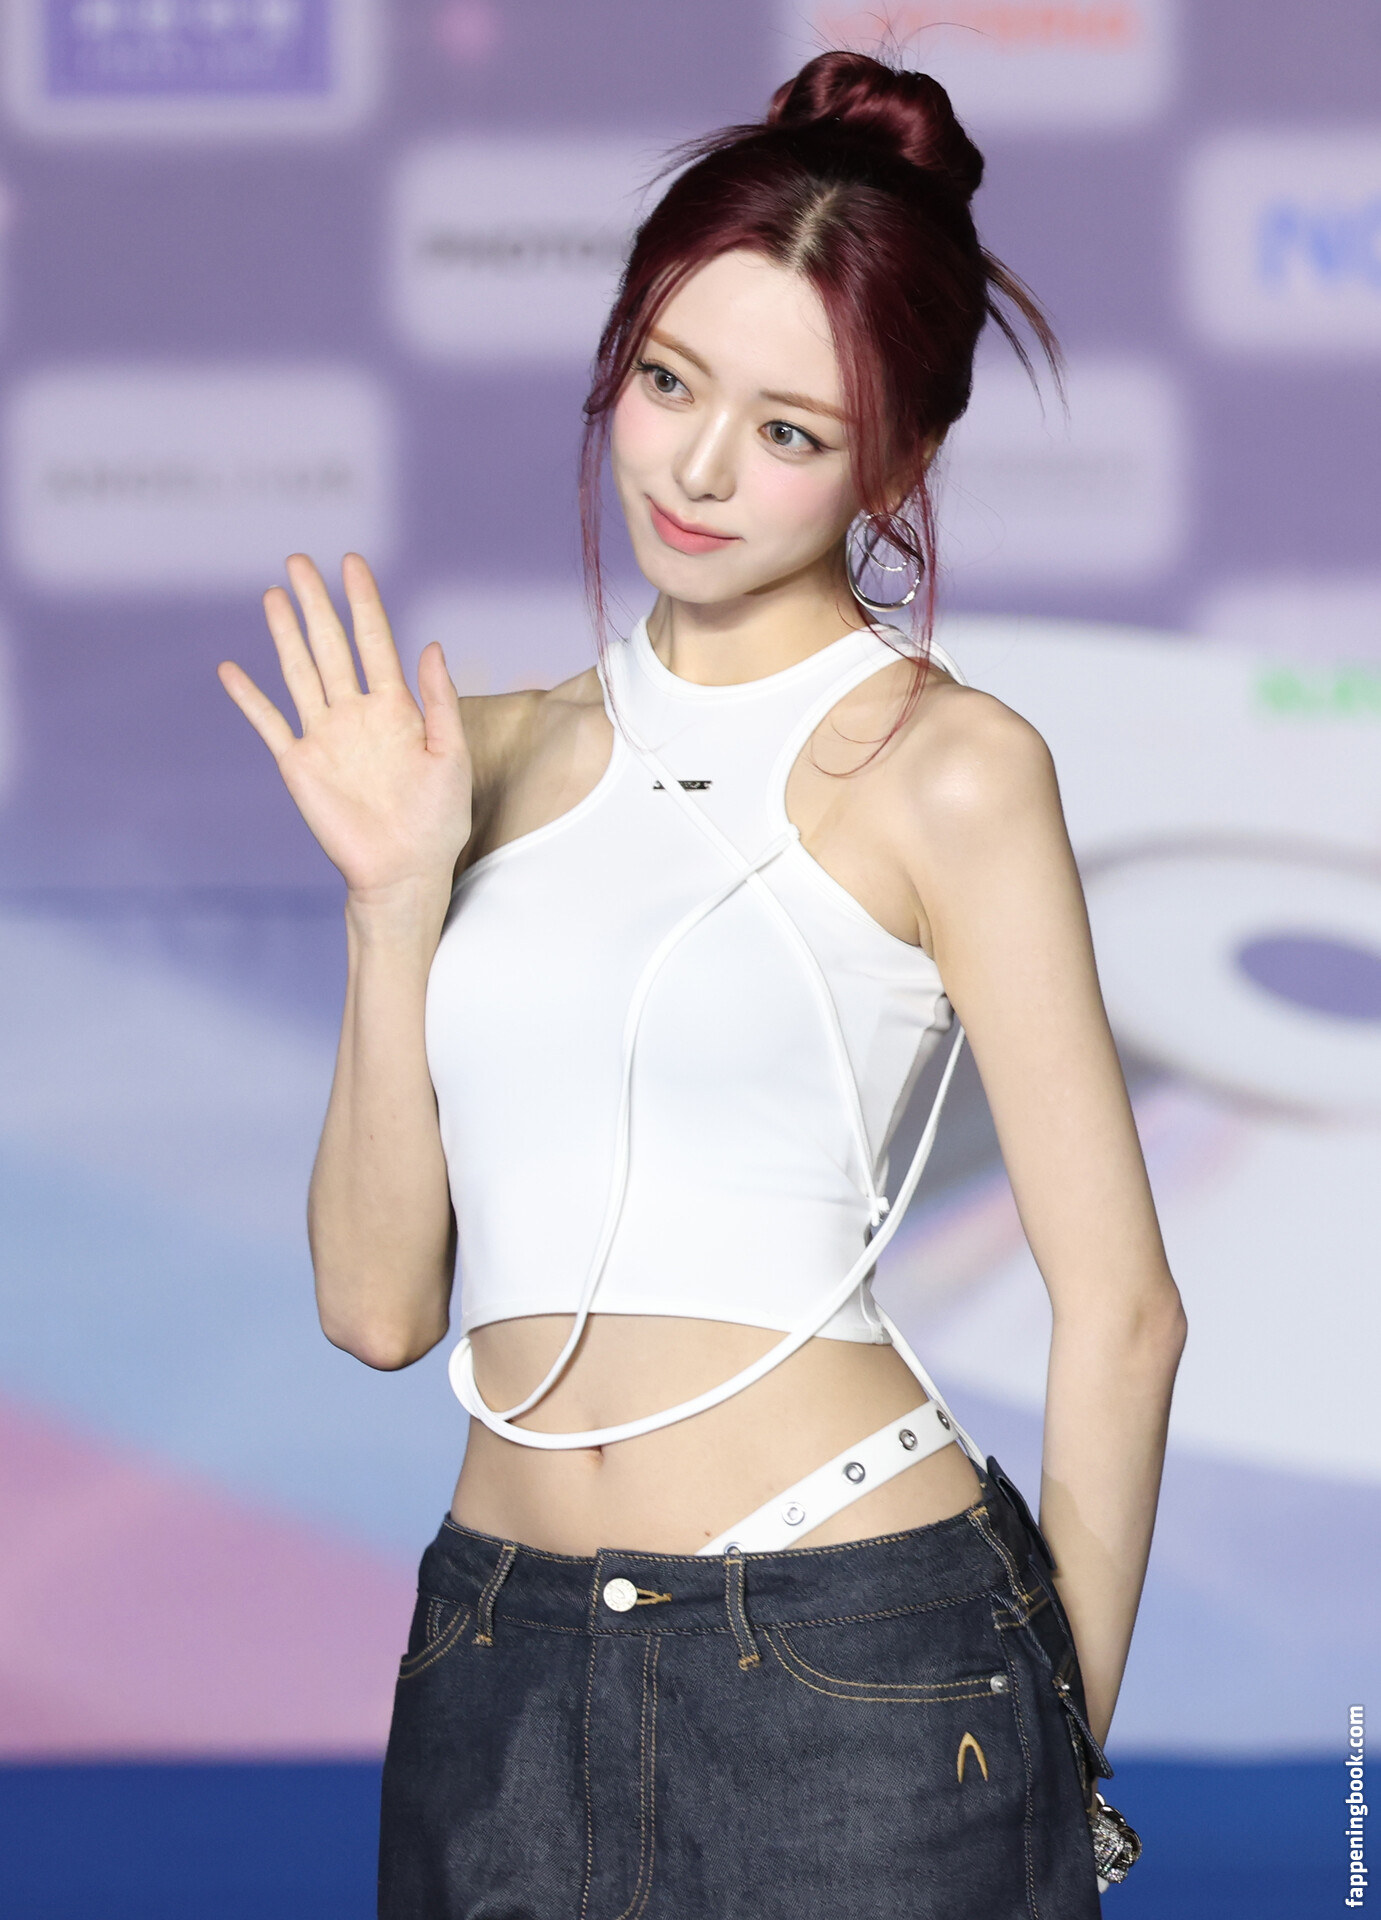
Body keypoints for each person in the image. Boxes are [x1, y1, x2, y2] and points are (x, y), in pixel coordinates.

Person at [219, 51, 1185, 1920]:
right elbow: (374, 1307)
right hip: (494, 1655)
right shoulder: (477, 757)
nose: (699, 465)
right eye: (668, 381)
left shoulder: (945, 767)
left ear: (897, 462)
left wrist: (1050, 1757)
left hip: (858, 1650)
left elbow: (1123, 1311)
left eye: (791, 429)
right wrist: (390, 900)